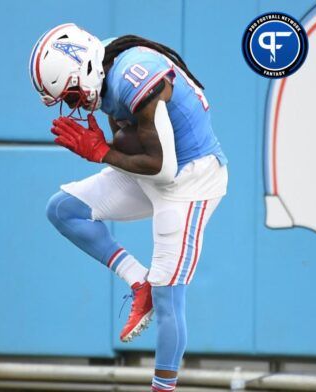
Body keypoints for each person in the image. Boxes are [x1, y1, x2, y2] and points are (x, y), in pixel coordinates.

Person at [30, 24, 228, 391]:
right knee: (63, 209)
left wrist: (102, 151)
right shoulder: (100, 62)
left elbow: (164, 168)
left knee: (170, 297)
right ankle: (139, 280)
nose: (73, 104)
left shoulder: (132, 77)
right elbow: (133, 140)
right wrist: (108, 147)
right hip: (156, 167)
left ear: (84, 70)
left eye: (71, 94)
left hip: (189, 179)